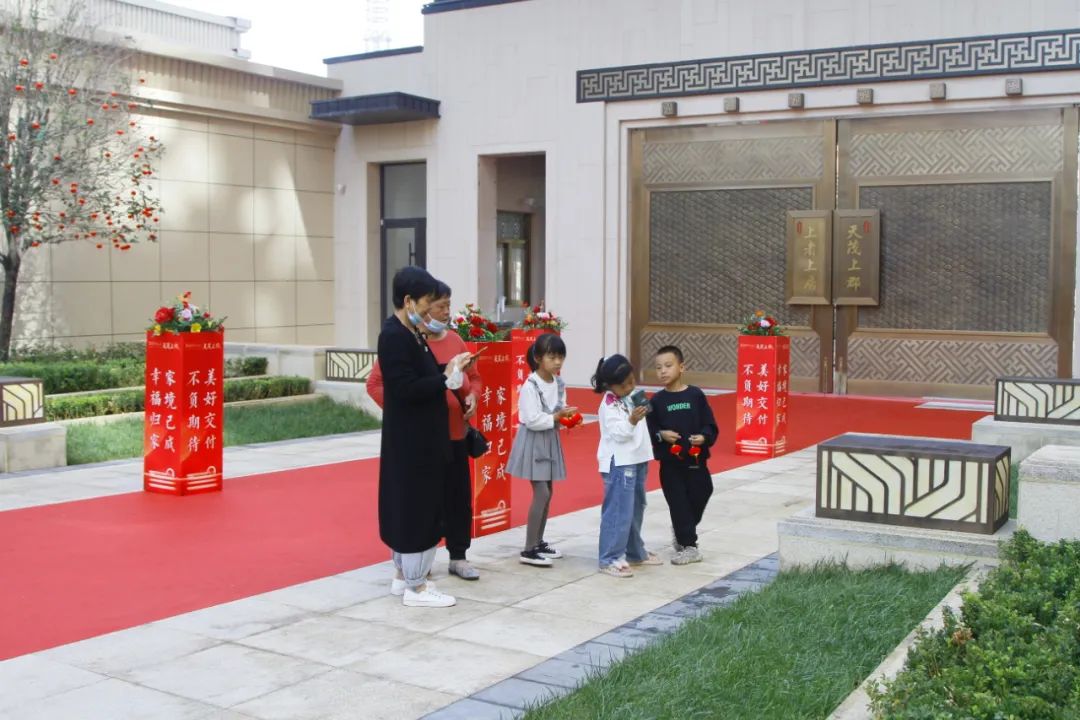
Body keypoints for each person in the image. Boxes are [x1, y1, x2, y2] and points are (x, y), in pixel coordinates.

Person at [367, 280, 485, 581]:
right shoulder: (407, 340)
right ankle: (419, 564)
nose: (446, 312)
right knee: (424, 501)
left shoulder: (454, 341)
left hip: (455, 433)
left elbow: (474, 378)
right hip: (424, 437)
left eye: (448, 305)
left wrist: (473, 396)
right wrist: (406, 415)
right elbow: (379, 384)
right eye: (439, 305)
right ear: (420, 304)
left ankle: (458, 555)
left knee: (458, 498)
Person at [506, 333, 578, 566]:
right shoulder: (530, 385)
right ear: (538, 358)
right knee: (542, 493)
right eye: (552, 357)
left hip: (549, 438)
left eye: (560, 357)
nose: (557, 362)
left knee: (549, 491)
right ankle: (529, 549)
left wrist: (568, 417)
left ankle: (538, 542)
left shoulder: (559, 383)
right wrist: (557, 417)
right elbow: (531, 419)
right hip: (534, 440)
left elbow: (560, 409)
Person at [646, 345, 718, 565]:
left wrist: (704, 437)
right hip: (670, 464)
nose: (663, 371)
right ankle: (689, 546)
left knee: (703, 491)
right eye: (658, 367)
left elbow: (710, 424)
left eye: (668, 366)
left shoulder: (695, 395)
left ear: (681, 367)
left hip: (696, 461)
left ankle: (682, 529)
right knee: (678, 503)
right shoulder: (656, 401)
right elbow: (650, 430)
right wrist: (661, 435)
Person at [592, 354, 661, 578]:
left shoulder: (631, 395)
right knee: (618, 510)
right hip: (620, 462)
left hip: (637, 458)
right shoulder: (609, 404)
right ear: (610, 386)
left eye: (632, 381)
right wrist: (631, 420)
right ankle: (609, 558)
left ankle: (634, 551)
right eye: (624, 385)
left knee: (636, 507)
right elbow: (618, 433)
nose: (630, 387)